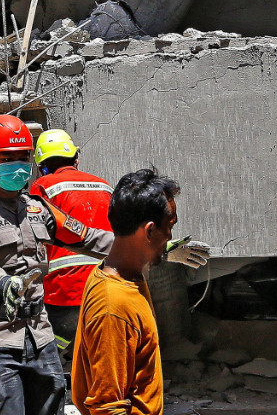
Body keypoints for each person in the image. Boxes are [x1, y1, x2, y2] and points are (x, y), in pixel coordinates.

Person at [0, 114, 114, 415]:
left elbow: (89, 238)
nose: (18, 165)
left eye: (23, 157)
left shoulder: (39, 209)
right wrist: (3, 283)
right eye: (7, 158)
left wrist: (151, 246)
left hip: (40, 333)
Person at [71, 168, 179, 415]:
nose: (170, 236)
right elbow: (106, 408)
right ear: (149, 231)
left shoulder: (124, 273)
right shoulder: (114, 305)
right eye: (169, 227)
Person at [28, 129, 113, 373]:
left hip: (66, 286)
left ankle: (47, 381)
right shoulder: (104, 186)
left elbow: (34, 231)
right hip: (107, 281)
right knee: (100, 344)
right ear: (76, 158)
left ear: (42, 166)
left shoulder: (43, 185)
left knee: (48, 346)